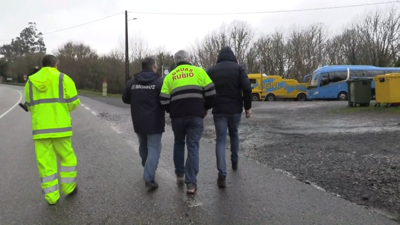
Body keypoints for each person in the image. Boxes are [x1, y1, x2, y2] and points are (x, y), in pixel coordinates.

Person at [24, 54, 80, 205]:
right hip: (61, 127)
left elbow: (29, 105)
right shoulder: (63, 78)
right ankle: (68, 188)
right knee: (67, 158)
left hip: (40, 130)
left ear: (42, 66)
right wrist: (62, 109)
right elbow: (74, 102)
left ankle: (52, 197)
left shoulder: (30, 82)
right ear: (55, 64)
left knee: (45, 164)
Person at [159, 50, 216, 194]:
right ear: (189, 59)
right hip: (196, 116)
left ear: (176, 61)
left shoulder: (170, 76)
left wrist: (171, 110)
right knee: (193, 147)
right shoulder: (199, 72)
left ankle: (179, 175)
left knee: (178, 143)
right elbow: (211, 93)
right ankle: (191, 184)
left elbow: (163, 99)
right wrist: (205, 108)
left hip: (177, 117)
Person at [206, 46, 252, 188]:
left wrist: (206, 106)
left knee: (220, 139)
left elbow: (205, 89)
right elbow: (247, 88)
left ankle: (222, 175)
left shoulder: (212, 70)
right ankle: (234, 160)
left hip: (219, 110)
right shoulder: (239, 69)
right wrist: (247, 107)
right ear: (233, 56)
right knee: (234, 134)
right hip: (235, 110)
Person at [122, 57, 165, 190]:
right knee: (154, 148)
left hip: (138, 120)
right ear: (153, 67)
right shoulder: (159, 81)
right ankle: (149, 178)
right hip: (155, 121)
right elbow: (165, 99)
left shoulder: (133, 81)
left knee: (143, 145)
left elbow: (125, 98)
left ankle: (146, 166)